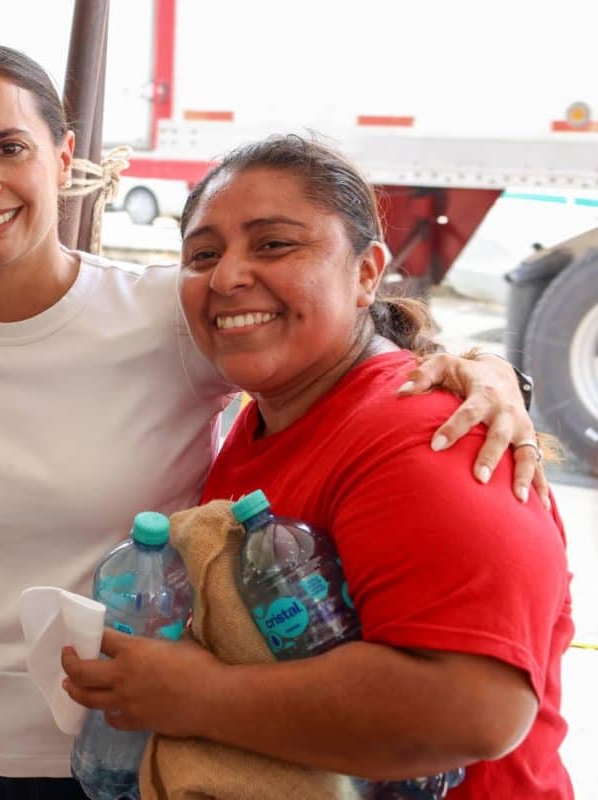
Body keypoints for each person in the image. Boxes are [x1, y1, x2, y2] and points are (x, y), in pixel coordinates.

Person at [0, 45, 544, 800]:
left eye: (8, 148)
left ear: (64, 159)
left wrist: (484, 368)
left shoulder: (169, 317)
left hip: (122, 758)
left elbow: (329, 344)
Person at [62, 135, 573, 797]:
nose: (226, 277)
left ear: (366, 274)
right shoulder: (268, 417)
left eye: (273, 244)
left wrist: (196, 695)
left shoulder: (424, 438)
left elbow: (477, 709)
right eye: (203, 255)